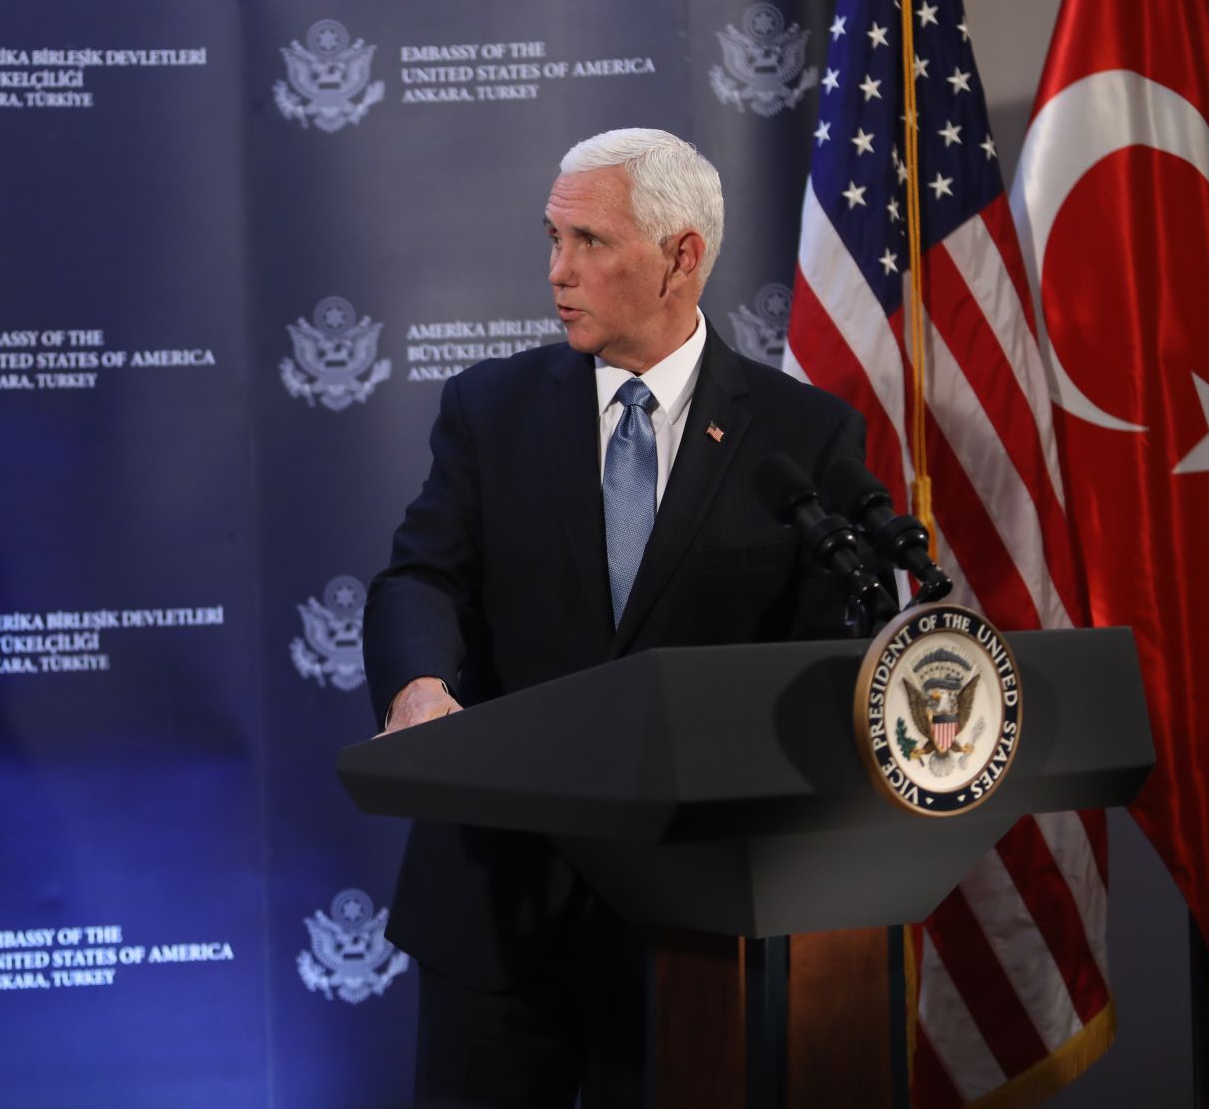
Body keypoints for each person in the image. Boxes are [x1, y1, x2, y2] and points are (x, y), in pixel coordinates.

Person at [365, 128, 867, 1107]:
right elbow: (419, 578)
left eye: (589, 242)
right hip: (500, 912)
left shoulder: (803, 436)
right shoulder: (489, 409)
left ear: (683, 255)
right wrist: (420, 684)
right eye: (552, 240)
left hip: (704, 926)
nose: (559, 272)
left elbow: (828, 657)